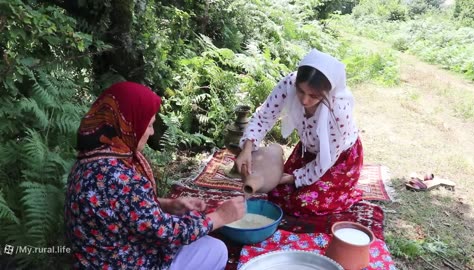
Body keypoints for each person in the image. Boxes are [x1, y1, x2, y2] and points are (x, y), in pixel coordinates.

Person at [65, 81, 245, 270]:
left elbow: (119, 207)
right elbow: (167, 232)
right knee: (216, 250)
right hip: (122, 262)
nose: (151, 132)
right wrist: (219, 217)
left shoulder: (89, 160)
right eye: (149, 125)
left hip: (100, 258)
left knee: (207, 245)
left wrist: (165, 205)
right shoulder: (119, 177)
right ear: (128, 124)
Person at [235, 49, 363, 217]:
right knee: (277, 194)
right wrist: (247, 148)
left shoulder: (337, 110)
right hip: (308, 149)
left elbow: (328, 158)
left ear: (327, 93)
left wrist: (292, 178)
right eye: (301, 91)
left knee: (304, 203)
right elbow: (264, 116)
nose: (304, 100)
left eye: (313, 96)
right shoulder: (290, 83)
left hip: (339, 159)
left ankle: (344, 191)